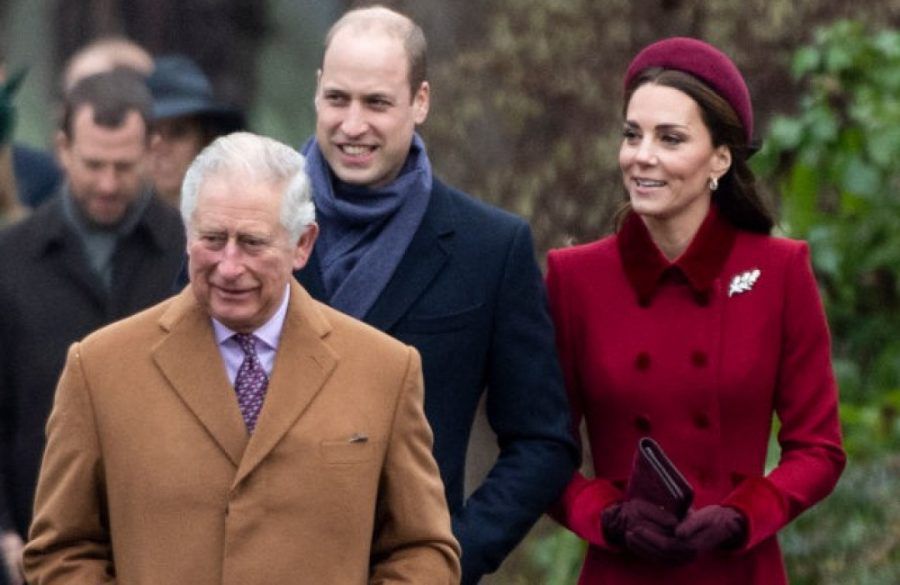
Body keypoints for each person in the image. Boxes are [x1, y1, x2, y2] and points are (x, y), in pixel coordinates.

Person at [23, 131, 461, 584]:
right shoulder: (100, 368)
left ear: (303, 244)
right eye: (212, 239)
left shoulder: (383, 369)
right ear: (187, 234)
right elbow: (61, 550)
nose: (230, 266)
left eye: (253, 243)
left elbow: (422, 548)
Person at [292, 6, 578, 582]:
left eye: (377, 103)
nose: (352, 125)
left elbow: (542, 441)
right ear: (317, 92)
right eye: (338, 99)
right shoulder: (246, 226)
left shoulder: (489, 247)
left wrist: (448, 560)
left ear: (420, 102)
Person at [546, 37, 846, 584]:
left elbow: (819, 450)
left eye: (670, 138)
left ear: (720, 159)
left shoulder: (780, 271)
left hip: (741, 570)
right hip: (621, 572)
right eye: (632, 135)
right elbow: (542, 450)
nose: (642, 155)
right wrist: (608, 517)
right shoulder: (574, 278)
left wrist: (744, 515)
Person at [0, 69, 186, 585]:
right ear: (62, 149)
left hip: (165, 539)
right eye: (93, 164)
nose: (107, 183)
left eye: (124, 167)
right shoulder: (11, 259)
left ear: (152, 150)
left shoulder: (193, 253)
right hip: (37, 541)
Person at [147, 54, 246, 207]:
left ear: (206, 139)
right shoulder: (116, 222)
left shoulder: (237, 216)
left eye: (178, 132)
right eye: (151, 133)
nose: (162, 148)